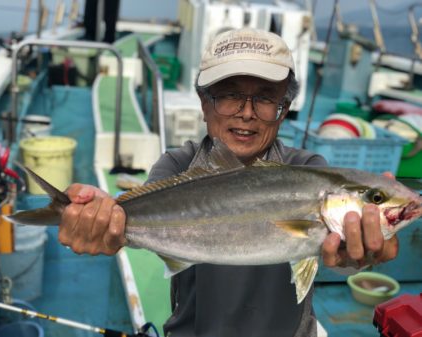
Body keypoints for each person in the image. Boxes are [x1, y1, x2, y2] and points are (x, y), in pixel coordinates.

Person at [59, 28, 399, 337]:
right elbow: (124, 227)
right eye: (228, 95)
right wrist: (99, 220)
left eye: (265, 98)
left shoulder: (308, 169)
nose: (246, 113)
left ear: (284, 109)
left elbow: (332, 254)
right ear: (204, 104)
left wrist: (355, 257)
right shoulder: (176, 167)